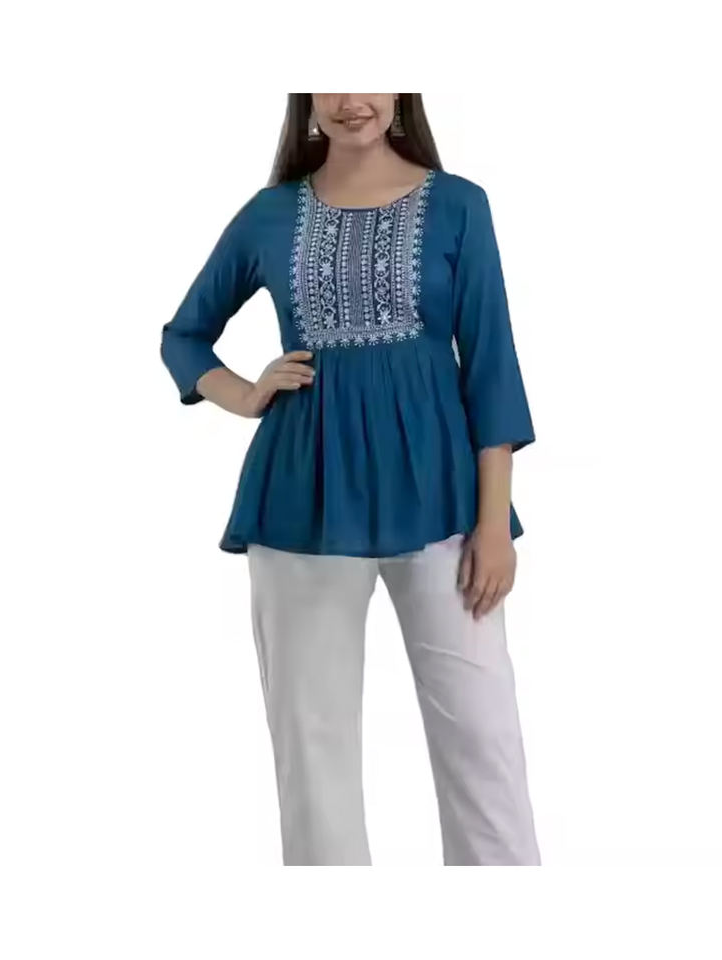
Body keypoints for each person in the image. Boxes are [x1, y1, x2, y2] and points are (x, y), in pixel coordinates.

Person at [160, 93, 542, 866]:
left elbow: (492, 368)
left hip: (444, 502)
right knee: (313, 748)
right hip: (301, 500)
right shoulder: (270, 215)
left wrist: (494, 523)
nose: (350, 99)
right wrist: (246, 393)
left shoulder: (460, 206)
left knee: (483, 738)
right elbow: (184, 337)